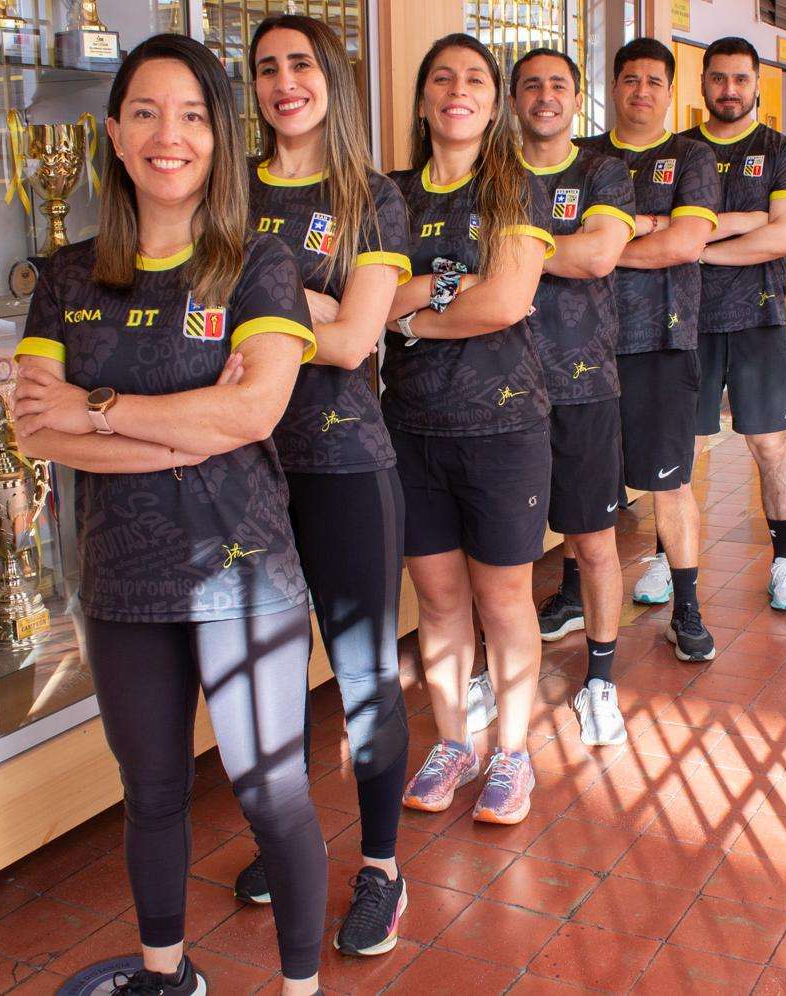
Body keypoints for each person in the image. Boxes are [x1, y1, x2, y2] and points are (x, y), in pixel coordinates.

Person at [11, 34, 326, 996]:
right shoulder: (66, 278)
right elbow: (36, 430)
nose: (168, 136)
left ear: (219, 137)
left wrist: (99, 407)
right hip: (123, 576)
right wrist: (184, 433)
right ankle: (165, 975)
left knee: (271, 791)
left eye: (191, 116)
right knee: (149, 793)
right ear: (113, 133)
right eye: (145, 113)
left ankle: (301, 986)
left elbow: (254, 412)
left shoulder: (259, 263)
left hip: (244, 569)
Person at [235, 14, 413, 958]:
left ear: (332, 79)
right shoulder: (227, 187)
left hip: (343, 463)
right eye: (266, 68)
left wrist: (262, 301)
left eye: (300, 64)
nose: (283, 82)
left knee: (365, 677)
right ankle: (292, 843)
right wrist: (313, 300)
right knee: (270, 677)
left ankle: (382, 867)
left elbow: (351, 343)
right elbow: (192, 313)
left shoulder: (369, 196)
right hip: (242, 468)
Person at [385, 33, 556, 824]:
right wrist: (457, 280)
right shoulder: (390, 197)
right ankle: (455, 742)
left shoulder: (516, 188)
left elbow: (508, 302)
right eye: (443, 78)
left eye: (476, 80)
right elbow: (371, 297)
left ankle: (512, 753)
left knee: (503, 598)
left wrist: (414, 315)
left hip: (502, 427)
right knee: (439, 598)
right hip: (411, 427)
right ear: (424, 99)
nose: (458, 90)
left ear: (493, 104)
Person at [578, 37, 721, 663]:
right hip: (581, 342)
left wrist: (602, 247)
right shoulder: (583, 155)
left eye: (654, 81)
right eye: (630, 79)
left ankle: (686, 607)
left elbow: (686, 244)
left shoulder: (691, 156)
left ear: (669, 91)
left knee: (671, 481)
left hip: (663, 338)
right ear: (613, 87)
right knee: (584, 479)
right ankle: (571, 592)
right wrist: (647, 226)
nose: (641, 91)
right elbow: (558, 236)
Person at [511, 48, 636, 744]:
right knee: (502, 554)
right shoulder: (492, 172)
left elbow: (598, 255)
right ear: (514, 100)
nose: (545, 96)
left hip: (585, 385)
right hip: (498, 389)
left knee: (593, 543)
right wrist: (558, 248)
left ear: (576, 97)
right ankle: (503, 675)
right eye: (531, 85)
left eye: (557, 84)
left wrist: (512, 255)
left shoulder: (601, 172)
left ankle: (601, 681)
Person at [683, 36, 786, 611]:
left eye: (740, 79)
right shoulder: (682, 150)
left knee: (769, 444)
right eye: (719, 78)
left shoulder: (781, 151)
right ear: (703, 82)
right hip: (685, 322)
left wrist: (703, 248)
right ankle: (667, 559)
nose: (729, 90)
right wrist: (750, 219)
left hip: (759, 319)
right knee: (683, 448)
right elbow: (661, 227)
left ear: (758, 83)